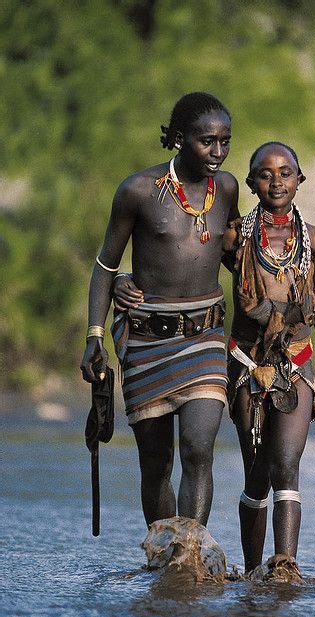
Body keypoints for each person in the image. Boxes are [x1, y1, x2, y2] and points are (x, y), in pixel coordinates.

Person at [80, 92, 239, 527]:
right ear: (179, 139)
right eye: (208, 142)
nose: (219, 152)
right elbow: (105, 265)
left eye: (226, 141)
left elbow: (230, 253)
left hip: (205, 338)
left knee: (198, 448)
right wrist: (96, 333)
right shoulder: (138, 191)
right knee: (156, 466)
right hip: (147, 341)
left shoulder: (225, 188)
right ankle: (164, 557)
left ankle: (189, 553)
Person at [222, 141, 315, 574]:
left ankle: (283, 570)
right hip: (247, 365)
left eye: (286, 173)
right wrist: (128, 284)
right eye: (265, 174)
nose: (276, 181)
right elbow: (186, 267)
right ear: (250, 183)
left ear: (300, 180)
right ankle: (250, 576)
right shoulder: (235, 239)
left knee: (286, 463)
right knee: (257, 473)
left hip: (296, 364)